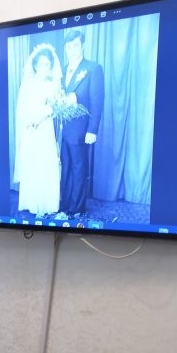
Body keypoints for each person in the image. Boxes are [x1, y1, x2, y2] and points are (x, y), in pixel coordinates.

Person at [59, 29, 104, 216]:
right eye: (69, 47)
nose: (72, 50)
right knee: (66, 167)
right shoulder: (61, 70)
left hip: (81, 130)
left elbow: (97, 101)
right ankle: (65, 204)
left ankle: (76, 208)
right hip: (63, 130)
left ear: (82, 46)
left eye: (76, 45)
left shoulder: (93, 68)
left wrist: (92, 130)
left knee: (79, 168)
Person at [15, 43, 63, 216]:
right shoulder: (27, 85)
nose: (45, 68)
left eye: (47, 65)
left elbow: (55, 108)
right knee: (32, 163)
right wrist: (31, 120)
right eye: (41, 64)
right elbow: (22, 109)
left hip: (46, 129)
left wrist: (47, 111)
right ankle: (31, 202)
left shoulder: (52, 86)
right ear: (35, 65)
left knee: (45, 163)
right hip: (31, 129)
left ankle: (47, 203)